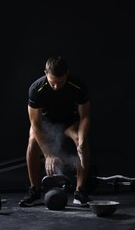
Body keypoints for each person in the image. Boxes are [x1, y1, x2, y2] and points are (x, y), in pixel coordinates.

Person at [19, 56, 92, 207]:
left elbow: (85, 117)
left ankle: (80, 191)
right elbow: (35, 124)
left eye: (60, 82)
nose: (56, 87)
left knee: (81, 142)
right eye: (52, 83)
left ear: (67, 74)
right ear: (45, 73)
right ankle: (35, 191)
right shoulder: (36, 88)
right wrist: (48, 154)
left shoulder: (78, 86)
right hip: (45, 124)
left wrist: (82, 142)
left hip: (70, 123)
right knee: (32, 140)